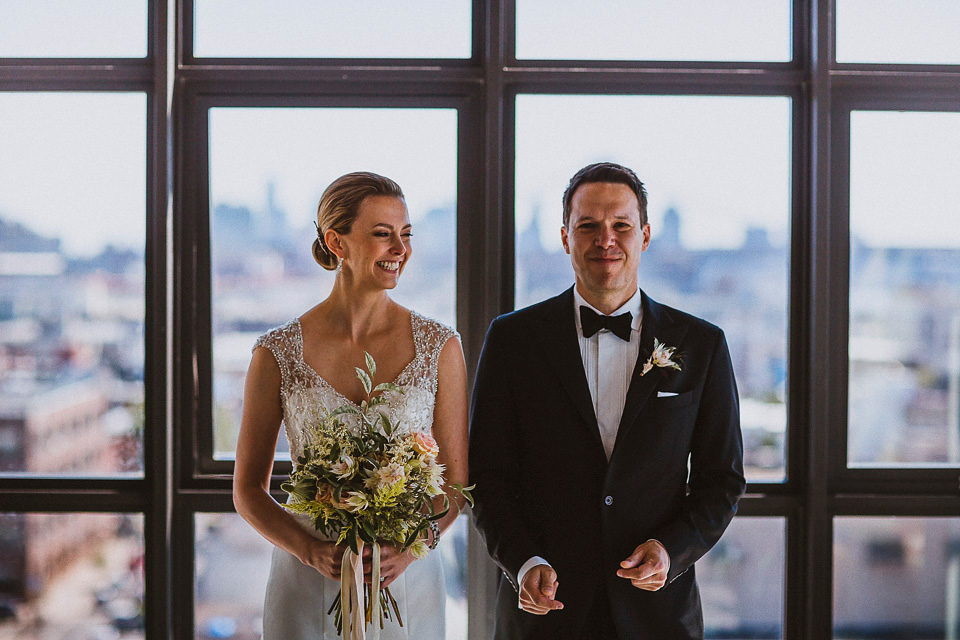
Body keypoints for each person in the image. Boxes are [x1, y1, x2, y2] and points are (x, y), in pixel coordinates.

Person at [469, 162, 745, 640]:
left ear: (646, 234)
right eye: (588, 226)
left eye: (621, 225)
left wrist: (669, 549)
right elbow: (487, 478)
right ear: (564, 237)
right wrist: (524, 561)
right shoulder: (512, 339)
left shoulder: (702, 344)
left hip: (657, 616)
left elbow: (721, 479)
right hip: (544, 615)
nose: (606, 239)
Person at [234, 171, 469, 639]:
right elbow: (248, 491)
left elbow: (456, 485)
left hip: (407, 578)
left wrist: (415, 542)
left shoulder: (440, 346)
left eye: (405, 235)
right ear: (335, 242)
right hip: (306, 577)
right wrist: (309, 550)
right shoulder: (276, 353)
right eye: (383, 235)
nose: (400, 250)